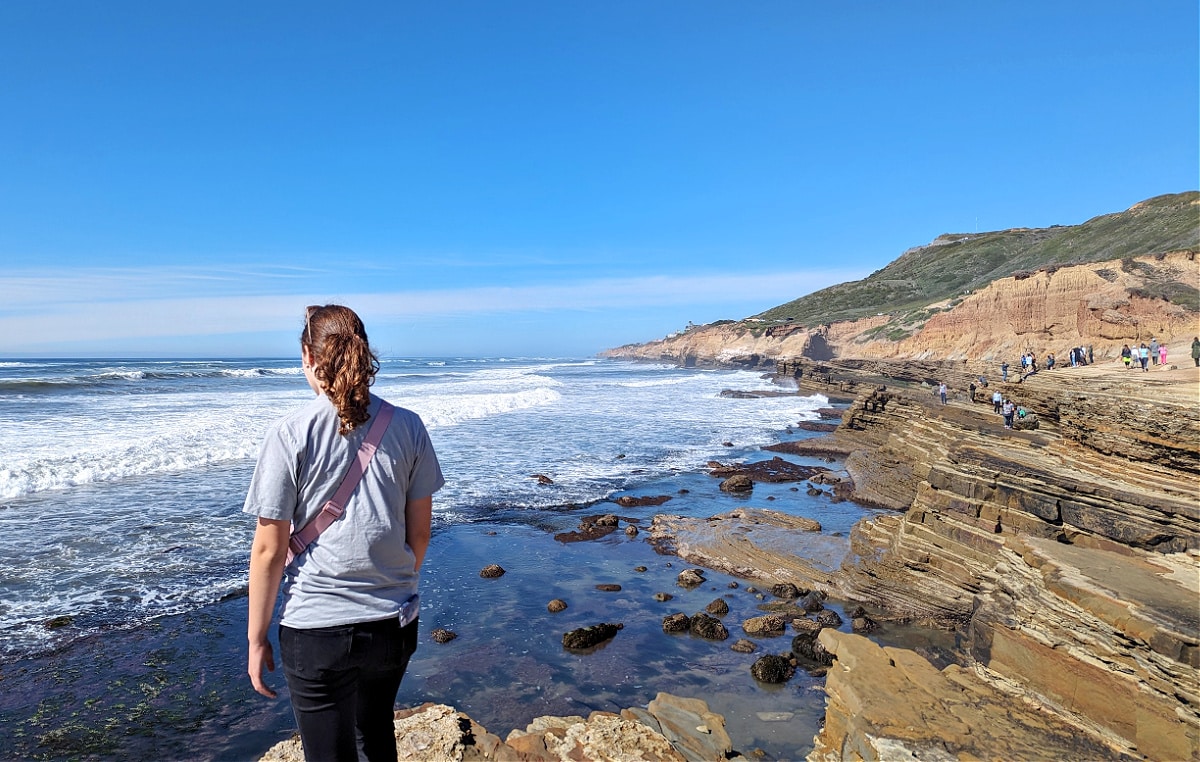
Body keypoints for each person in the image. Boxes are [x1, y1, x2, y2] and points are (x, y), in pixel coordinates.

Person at [245, 305, 445, 762]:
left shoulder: (289, 433)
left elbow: (268, 551)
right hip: (393, 622)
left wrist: (256, 639)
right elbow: (420, 535)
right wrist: (393, 583)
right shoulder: (408, 425)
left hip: (315, 630)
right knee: (375, 738)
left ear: (307, 358)